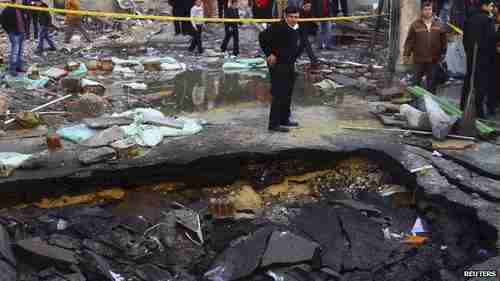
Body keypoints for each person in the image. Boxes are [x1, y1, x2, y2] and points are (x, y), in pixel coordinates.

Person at [260, 6, 305, 132]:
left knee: (288, 93)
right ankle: (274, 124)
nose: (294, 19)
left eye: (296, 17)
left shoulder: (297, 28)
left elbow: (300, 42)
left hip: (289, 63)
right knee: (278, 93)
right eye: (291, 17)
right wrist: (269, 53)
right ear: (285, 16)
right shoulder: (278, 26)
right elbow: (262, 37)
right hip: (278, 64)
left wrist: (296, 55)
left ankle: (284, 119)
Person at [461, 0, 497, 118]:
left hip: (471, 56)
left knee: (469, 80)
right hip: (484, 58)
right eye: (491, 6)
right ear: (484, 6)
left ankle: (463, 107)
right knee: (481, 84)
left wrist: (469, 51)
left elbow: (465, 39)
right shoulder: (487, 20)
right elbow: (491, 39)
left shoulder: (469, 19)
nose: (492, 8)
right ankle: (478, 111)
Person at [403, 2, 447, 93]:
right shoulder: (415, 25)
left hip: (433, 59)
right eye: (425, 9)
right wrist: (406, 55)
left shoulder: (439, 24)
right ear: (421, 11)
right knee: (415, 83)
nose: (427, 12)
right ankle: (415, 103)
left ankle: (431, 104)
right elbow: (409, 41)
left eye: (429, 9)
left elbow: (444, 41)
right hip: (419, 59)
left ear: (432, 11)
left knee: (431, 85)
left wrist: (443, 54)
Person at [1, 0, 27, 76]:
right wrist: (9, 31)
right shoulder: (7, 9)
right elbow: (2, 22)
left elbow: (24, 20)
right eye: (20, 0)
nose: (22, 1)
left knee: (20, 51)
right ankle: (13, 69)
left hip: (22, 32)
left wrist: (25, 30)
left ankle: (19, 67)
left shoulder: (21, 8)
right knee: (15, 52)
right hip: (14, 33)